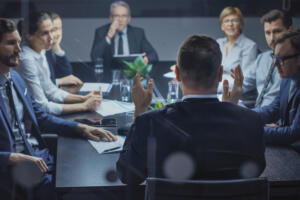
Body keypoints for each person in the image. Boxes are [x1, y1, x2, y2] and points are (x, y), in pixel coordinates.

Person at [116, 35, 266, 185]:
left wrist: (139, 112)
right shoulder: (251, 122)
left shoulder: (149, 123)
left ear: (177, 74)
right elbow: (256, 170)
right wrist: (231, 110)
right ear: (220, 74)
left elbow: (128, 175)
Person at [0, 18, 116, 200]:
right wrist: (14, 158)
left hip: (39, 158)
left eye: (18, 43)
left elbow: (40, 117)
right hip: (13, 171)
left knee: (96, 184)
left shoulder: (16, 78)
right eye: (10, 43)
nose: (19, 50)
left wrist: (81, 128)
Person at [16, 11, 101, 115]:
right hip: (30, 121)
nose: (51, 37)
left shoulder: (41, 50)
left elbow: (51, 91)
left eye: (52, 31)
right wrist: (84, 105)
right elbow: (42, 106)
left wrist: (83, 98)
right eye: (45, 33)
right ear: (29, 36)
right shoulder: (26, 59)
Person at [251, 30, 300, 145]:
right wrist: (241, 115)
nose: (275, 64)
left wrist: (250, 130)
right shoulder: (287, 80)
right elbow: (274, 110)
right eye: (275, 58)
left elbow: (293, 134)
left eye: (281, 59)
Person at [90, 1, 158, 81]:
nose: (120, 20)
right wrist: (108, 36)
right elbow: (94, 56)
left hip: (133, 79)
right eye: (116, 16)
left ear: (129, 19)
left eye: (124, 16)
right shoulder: (101, 32)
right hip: (110, 79)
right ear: (111, 18)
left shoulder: (138, 33)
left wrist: (145, 59)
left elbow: (154, 55)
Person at [241, 10, 293, 108]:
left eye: (277, 31)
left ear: (290, 30)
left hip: (277, 118)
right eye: (267, 33)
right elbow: (244, 84)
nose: (272, 38)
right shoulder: (262, 58)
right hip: (259, 114)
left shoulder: (294, 62)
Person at [216, 6, 257, 93]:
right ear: (222, 26)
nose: (230, 24)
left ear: (241, 24)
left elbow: (247, 81)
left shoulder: (250, 46)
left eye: (234, 20)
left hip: (237, 95)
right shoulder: (218, 44)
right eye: (226, 21)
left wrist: (215, 87)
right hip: (217, 92)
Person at [46, 12, 83, 94]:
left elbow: (67, 75)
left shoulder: (50, 49)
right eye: (55, 29)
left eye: (60, 28)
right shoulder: (42, 51)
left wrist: (57, 47)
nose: (59, 33)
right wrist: (60, 81)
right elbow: (41, 84)